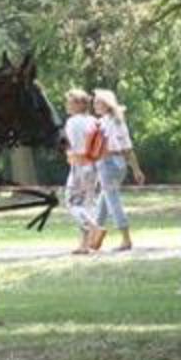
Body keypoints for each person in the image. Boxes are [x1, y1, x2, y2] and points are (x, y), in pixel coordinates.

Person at [90, 89, 145, 251]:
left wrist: (137, 170)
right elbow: (127, 149)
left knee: (112, 199)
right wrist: (135, 169)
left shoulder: (111, 122)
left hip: (109, 163)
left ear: (107, 104)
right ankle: (94, 239)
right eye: (94, 102)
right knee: (104, 199)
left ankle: (126, 239)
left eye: (98, 102)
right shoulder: (111, 120)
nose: (95, 104)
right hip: (116, 164)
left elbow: (126, 148)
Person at [62, 89, 102, 254]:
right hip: (94, 167)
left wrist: (69, 154)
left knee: (71, 202)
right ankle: (85, 244)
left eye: (69, 102)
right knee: (88, 204)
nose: (67, 105)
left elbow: (70, 145)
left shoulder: (72, 122)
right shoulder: (94, 121)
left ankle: (93, 227)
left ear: (79, 104)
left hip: (79, 165)